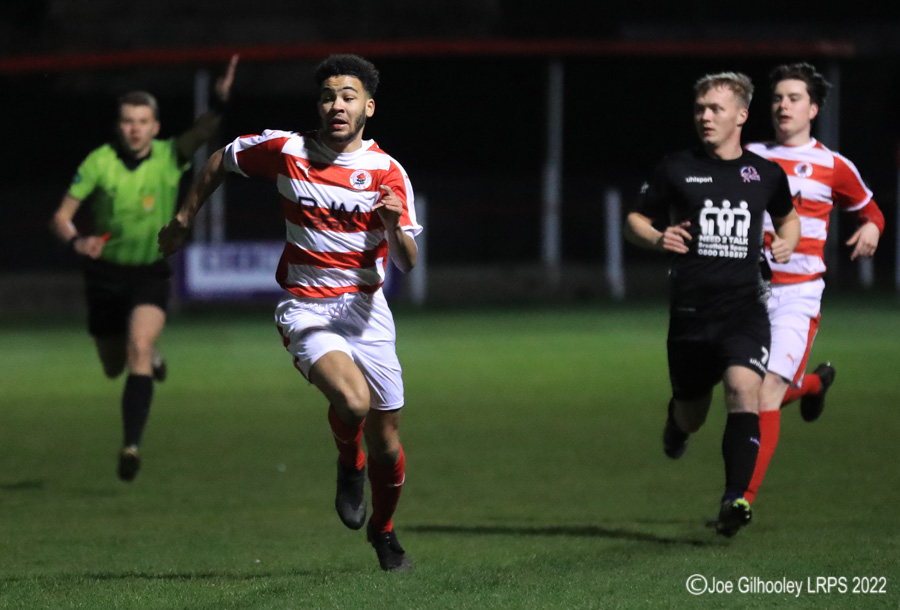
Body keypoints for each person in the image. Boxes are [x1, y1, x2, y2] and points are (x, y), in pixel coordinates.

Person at [158, 54, 421, 572]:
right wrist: (185, 218)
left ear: (368, 106)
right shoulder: (288, 150)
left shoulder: (389, 172)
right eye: (327, 96)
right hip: (306, 307)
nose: (336, 105)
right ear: (318, 106)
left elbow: (408, 263)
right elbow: (217, 162)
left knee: (388, 445)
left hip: (369, 312)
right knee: (353, 401)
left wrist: (392, 226)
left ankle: (384, 532)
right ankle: (349, 462)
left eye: (347, 96)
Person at [624, 72, 800, 537]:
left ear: (741, 115)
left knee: (744, 390)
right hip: (690, 316)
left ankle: (734, 499)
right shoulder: (676, 168)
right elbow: (633, 220)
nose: (704, 116)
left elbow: (789, 219)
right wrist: (660, 236)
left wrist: (785, 243)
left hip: (744, 311)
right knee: (692, 414)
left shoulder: (764, 174)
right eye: (700, 108)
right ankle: (677, 427)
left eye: (715, 109)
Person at [50, 55, 239, 482]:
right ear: (119, 126)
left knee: (135, 354)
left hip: (149, 273)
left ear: (155, 126)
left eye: (143, 120)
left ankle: (131, 445)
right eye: (128, 121)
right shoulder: (99, 162)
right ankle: (149, 354)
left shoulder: (171, 155)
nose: (135, 128)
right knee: (114, 366)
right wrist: (77, 238)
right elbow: (61, 217)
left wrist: (221, 102)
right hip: (104, 277)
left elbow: (205, 131)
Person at [744, 63, 884, 503]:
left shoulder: (832, 165)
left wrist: (873, 229)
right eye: (777, 98)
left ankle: (740, 499)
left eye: (794, 98)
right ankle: (815, 385)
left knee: (765, 394)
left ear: (814, 108)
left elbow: (871, 210)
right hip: (746, 293)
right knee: (744, 393)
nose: (783, 106)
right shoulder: (748, 156)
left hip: (797, 293)